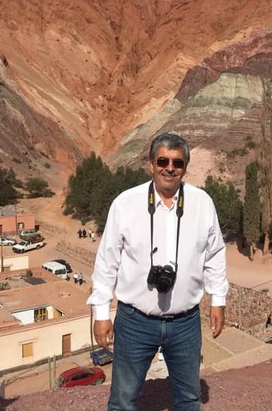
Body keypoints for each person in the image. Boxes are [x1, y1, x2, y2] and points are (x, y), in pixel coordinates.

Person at [87, 133, 229, 411]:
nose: (170, 168)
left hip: (186, 323)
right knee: (123, 400)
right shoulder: (125, 203)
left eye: (177, 162)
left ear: (185, 167)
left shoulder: (202, 203)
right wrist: (101, 313)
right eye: (162, 161)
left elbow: (214, 254)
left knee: (189, 398)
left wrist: (218, 300)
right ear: (151, 164)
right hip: (134, 322)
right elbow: (107, 261)